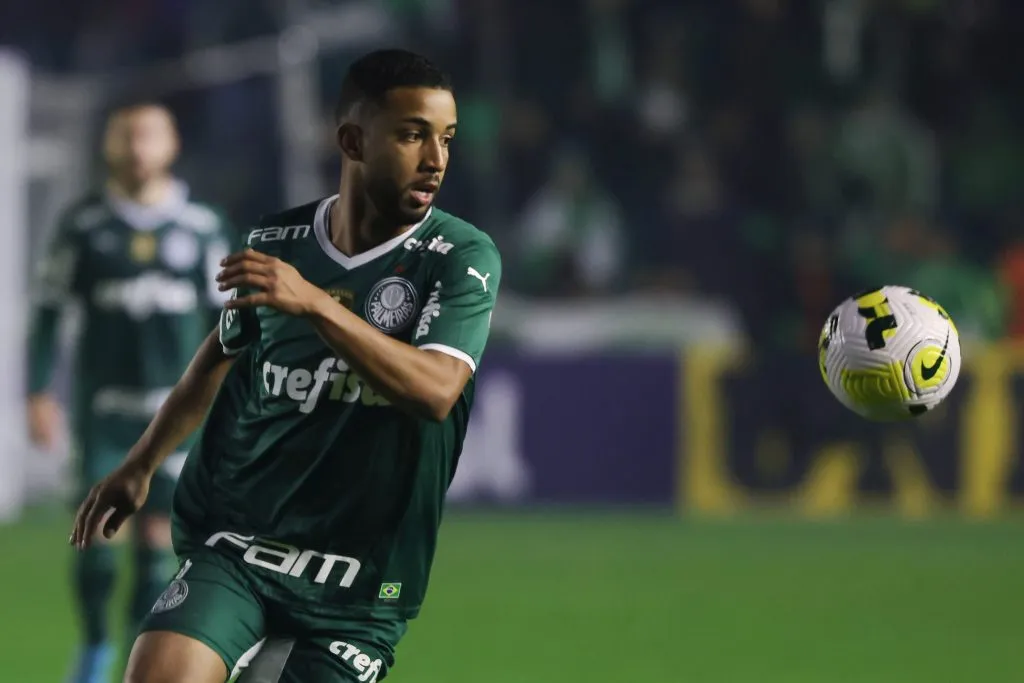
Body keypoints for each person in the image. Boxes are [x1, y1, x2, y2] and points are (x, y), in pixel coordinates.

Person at [70, 49, 502, 683]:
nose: (436, 159)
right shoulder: (276, 243)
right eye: (412, 135)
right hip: (240, 545)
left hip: (358, 586)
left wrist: (315, 305)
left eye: (446, 139)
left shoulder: (458, 256)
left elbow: (436, 390)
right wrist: (140, 463)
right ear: (353, 139)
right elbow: (219, 354)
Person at [27, 102, 235, 683]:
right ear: (109, 147)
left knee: (156, 543)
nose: (138, 147)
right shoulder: (86, 225)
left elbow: (233, 323)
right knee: (93, 537)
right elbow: (46, 312)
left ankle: (135, 660)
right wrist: (38, 392)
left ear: (171, 145)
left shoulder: (200, 226)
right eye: (127, 136)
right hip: (104, 412)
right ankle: (93, 648)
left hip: (175, 415)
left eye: (149, 135)